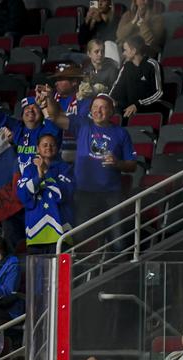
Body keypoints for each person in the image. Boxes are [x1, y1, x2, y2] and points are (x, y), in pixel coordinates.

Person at [45, 93, 137, 251]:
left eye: (102, 107)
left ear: (111, 111)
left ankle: (119, 273)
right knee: (82, 240)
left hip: (111, 194)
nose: (97, 111)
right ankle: (83, 274)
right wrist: (49, 98)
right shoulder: (82, 125)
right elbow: (54, 116)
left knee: (117, 240)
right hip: (84, 193)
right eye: (94, 107)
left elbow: (132, 165)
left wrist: (118, 163)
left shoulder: (121, 133)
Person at [17, 133, 74, 256]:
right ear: (38, 148)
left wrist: (45, 172)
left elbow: (63, 194)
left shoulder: (66, 168)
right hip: (35, 232)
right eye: (45, 145)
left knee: (59, 274)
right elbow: (23, 195)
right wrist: (39, 177)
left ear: (57, 148)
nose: (48, 147)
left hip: (61, 231)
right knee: (37, 274)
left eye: (52, 145)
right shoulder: (29, 169)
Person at [109, 36, 166, 120]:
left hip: (147, 109)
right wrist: (110, 99)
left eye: (125, 50)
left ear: (134, 51)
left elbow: (158, 93)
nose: (123, 53)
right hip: (128, 111)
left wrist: (138, 104)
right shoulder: (126, 66)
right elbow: (117, 87)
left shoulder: (153, 65)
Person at [10, 96, 62, 175]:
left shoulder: (46, 131)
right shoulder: (17, 129)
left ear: (41, 114)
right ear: (22, 115)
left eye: (35, 107)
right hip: (21, 179)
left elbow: (54, 130)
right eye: (27, 108)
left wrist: (43, 106)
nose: (30, 110)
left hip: (45, 177)